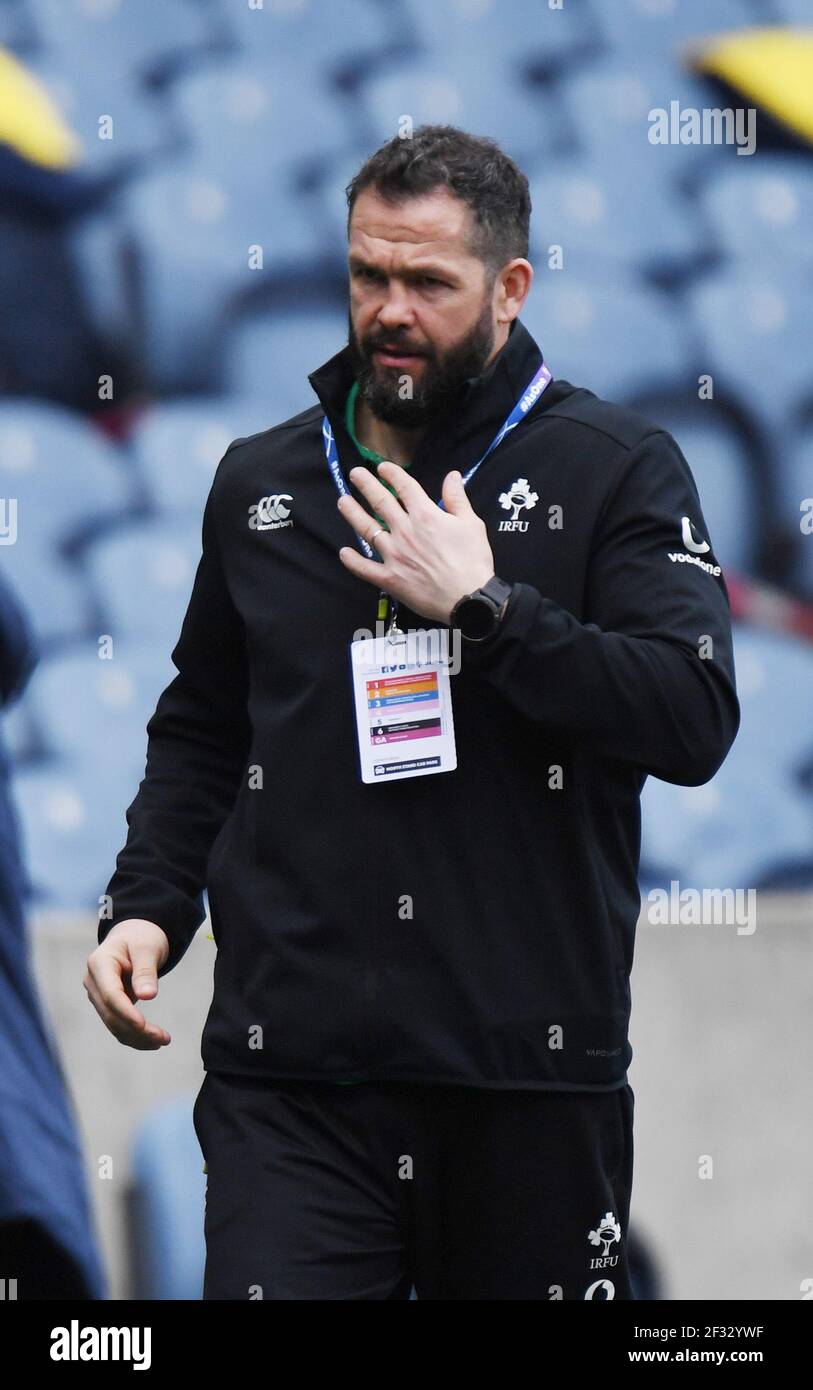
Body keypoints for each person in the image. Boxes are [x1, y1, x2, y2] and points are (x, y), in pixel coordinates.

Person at [86, 125, 740, 1300]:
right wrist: (147, 903)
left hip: (527, 1083)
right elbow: (203, 727)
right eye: (367, 274)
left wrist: (486, 610)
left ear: (509, 287)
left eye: (428, 282)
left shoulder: (618, 467)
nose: (390, 310)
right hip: (290, 1084)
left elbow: (690, 714)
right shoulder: (263, 484)